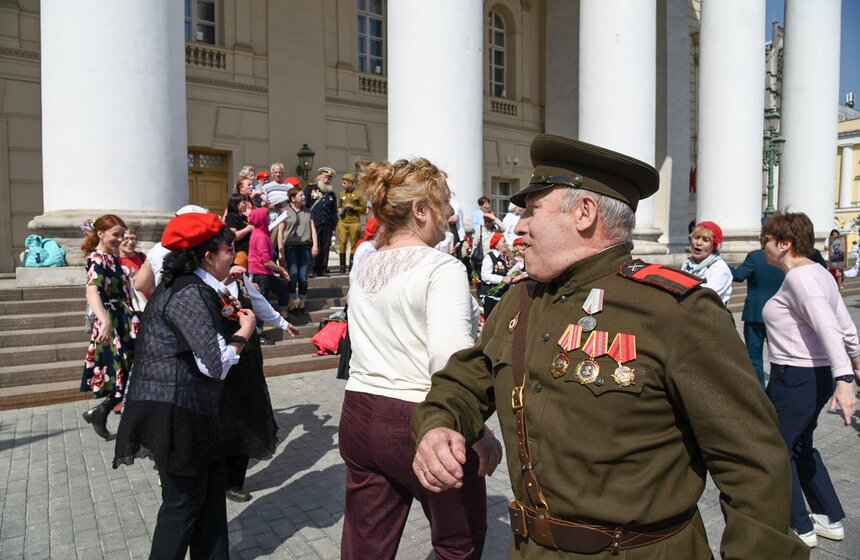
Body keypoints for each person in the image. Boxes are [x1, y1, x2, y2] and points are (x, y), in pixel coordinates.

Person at [412, 134, 807, 559]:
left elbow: (753, 464)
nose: (520, 224)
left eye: (532, 209)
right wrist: (439, 423)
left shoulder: (675, 311)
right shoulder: (520, 299)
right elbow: (467, 381)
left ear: (584, 213)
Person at [340, 157, 501, 559]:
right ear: (419, 209)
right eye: (443, 202)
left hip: (359, 411)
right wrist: (477, 431)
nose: (449, 214)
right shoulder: (441, 266)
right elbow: (450, 359)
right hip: (423, 415)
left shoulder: (366, 264)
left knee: (365, 544)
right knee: (457, 544)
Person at [113, 213, 257, 559]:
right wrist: (243, 333)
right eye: (229, 248)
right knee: (181, 506)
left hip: (196, 411)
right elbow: (215, 364)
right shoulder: (188, 291)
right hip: (176, 413)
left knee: (208, 501)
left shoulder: (197, 286)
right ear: (208, 255)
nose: (233, 256)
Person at [760, 212, 859, 548]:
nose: (763, 245)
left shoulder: (801, 278)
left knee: (776, 448)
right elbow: (844, 324)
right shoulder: (819, 273)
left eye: (767, 239)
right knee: (800, 445)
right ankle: (828, 517)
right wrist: (855, 361)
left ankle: (797, 526)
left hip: (795, 377)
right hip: (811, 377)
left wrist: (846, 379)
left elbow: (829, 327)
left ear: (784, 244)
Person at [80, 214, 139, 440]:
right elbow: (91, 290)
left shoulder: (112, 257)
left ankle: (101, 413)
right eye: (116, 235)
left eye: (122, 234)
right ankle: (129, 431)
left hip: (124, 319)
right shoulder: (97, 258)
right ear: (100, 233)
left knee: (130, 373)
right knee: (123, 374)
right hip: (112, 321)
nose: (120, 239)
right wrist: (103, 321)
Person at [731, 240, 785, 389]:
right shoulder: (785, 257)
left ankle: (760, 392)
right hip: (780, 314)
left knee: (754, 358)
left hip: (756, 313)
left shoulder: (755, 257)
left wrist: (719, 265)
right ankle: (777, 390)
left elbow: (739, 275)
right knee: (780, 356)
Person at [280, 186, 319, 315]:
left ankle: (302, 303)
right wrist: (281, 249)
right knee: (293, 274)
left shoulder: (308, 212)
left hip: (305, 247)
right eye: (301, 195)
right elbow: (280, 231)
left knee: (303, 276)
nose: (304, 197)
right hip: (290, 246)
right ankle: (291, 301)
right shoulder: (285, 212)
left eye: (303, 195)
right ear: (293, 198)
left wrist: (315, 245)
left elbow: (313, 228)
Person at [681, 221, 732, 305]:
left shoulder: (719, 267)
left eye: (705, 240)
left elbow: (706, 297)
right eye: (696, 237)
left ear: (715, 246)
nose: (698, 243)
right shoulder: (687, 264)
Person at [306, 167, 339, 277]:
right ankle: (312, 269)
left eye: (329, 178)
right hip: (314, 222)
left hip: (327, 223)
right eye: (325, 177)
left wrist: (334, 227)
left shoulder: (331, 194)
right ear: (320, 177)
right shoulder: (311, 189)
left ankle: (322, 268)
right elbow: (305, 206)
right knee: (314, 245)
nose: (327, 180)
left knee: (325, 246)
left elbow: (334, 212)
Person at [479, 232, 513, 320]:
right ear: (497, 245)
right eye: (504, 242)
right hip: (491, 295)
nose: (506, 244)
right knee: (491, 321)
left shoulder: (506, 258)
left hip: (502, 295)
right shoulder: (490, 257)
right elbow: (485, 276)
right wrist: (502, 279)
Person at [336, 172, 366, 273]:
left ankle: (352, 266)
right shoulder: (341, 194)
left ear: (350, 183)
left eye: (345, 183)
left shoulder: (358, 194)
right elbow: (339, 205)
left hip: (354, 222)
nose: (342, 184)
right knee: (342, 243)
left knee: (354, 244)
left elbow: (363, 209)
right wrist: (339, 209)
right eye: (342, 182)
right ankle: (342, 266)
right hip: (343, 221)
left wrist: (353, 207)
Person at [225, 193, 253, 269]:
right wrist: (248, 229)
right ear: (235, 204)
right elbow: (233, 236)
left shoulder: (244, 217)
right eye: (243, 202)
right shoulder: (231, 217)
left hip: (249, 251)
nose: (246, 204)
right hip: (240, 252)